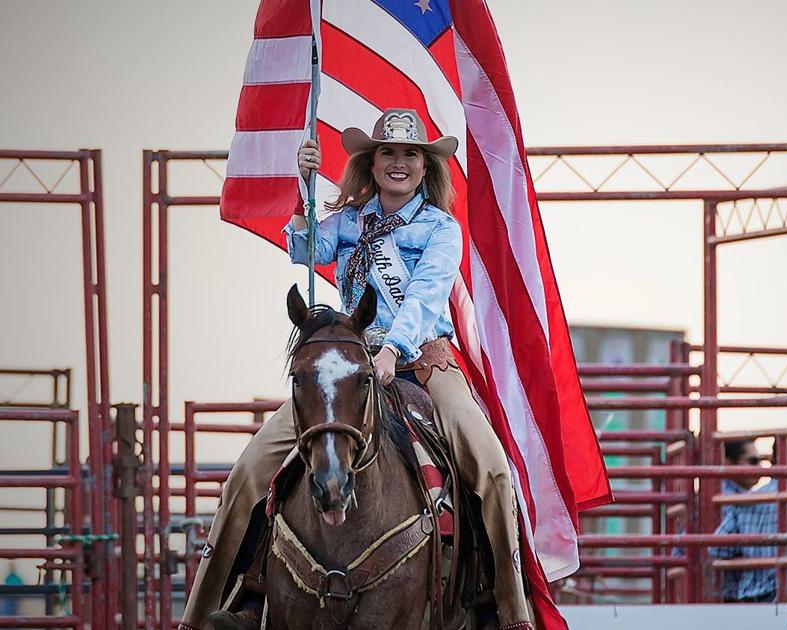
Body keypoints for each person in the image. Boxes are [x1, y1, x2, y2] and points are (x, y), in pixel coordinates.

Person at [179, 108, 533, 630]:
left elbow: (425, 294)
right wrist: (303, 190)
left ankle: (501, 607)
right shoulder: (350, 220)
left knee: (492, 470)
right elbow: (304, 249)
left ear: (424, 166)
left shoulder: (441, 228)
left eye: (410, 154)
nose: (398, 163)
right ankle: (232, 601)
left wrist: (392, 349)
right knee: (249, 471)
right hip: (348, 367)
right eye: (387, 153)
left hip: (422, 363)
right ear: (371, 162)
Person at [710, 439, 787, 603]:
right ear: (729, 463)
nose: (759, 468)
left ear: (774, 459)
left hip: (748, 599)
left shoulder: (745, 501)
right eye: (753, 461)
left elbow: (717, 548)